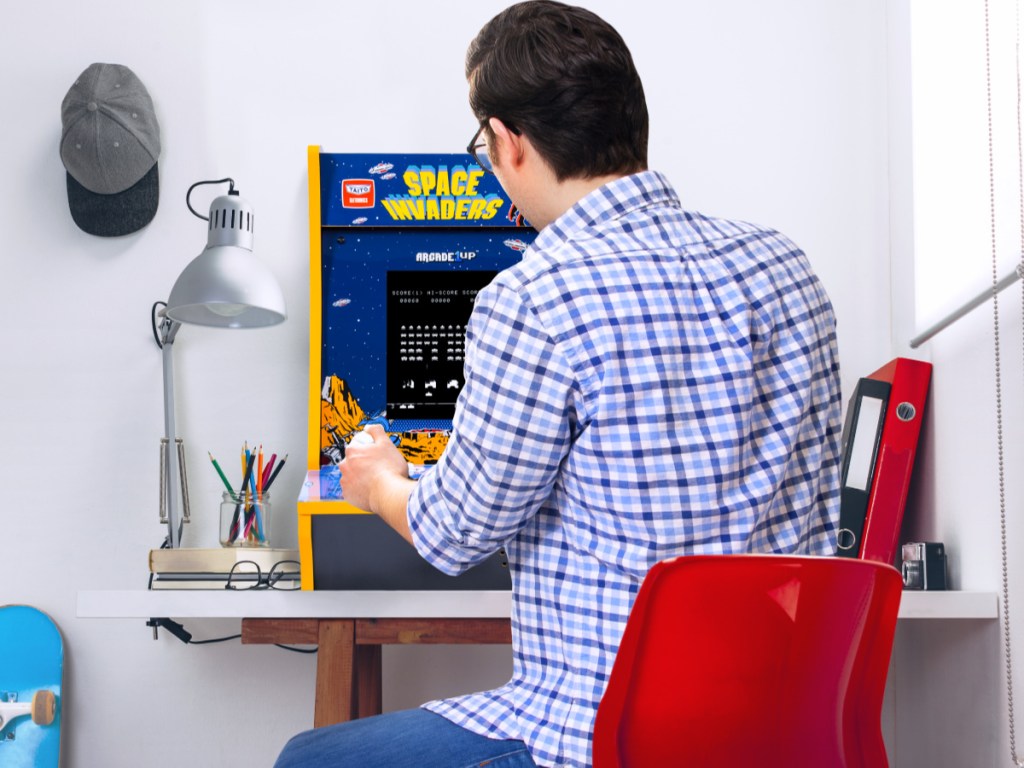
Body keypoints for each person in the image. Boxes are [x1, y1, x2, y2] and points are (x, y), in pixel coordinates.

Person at [275, 2, 842, 766]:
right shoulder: (787, 269)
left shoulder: (537, 295)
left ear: (507, 141)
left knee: (309, 759)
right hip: (777, 739)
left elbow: (454, 532)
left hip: (602, 739)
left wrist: (378, 481)